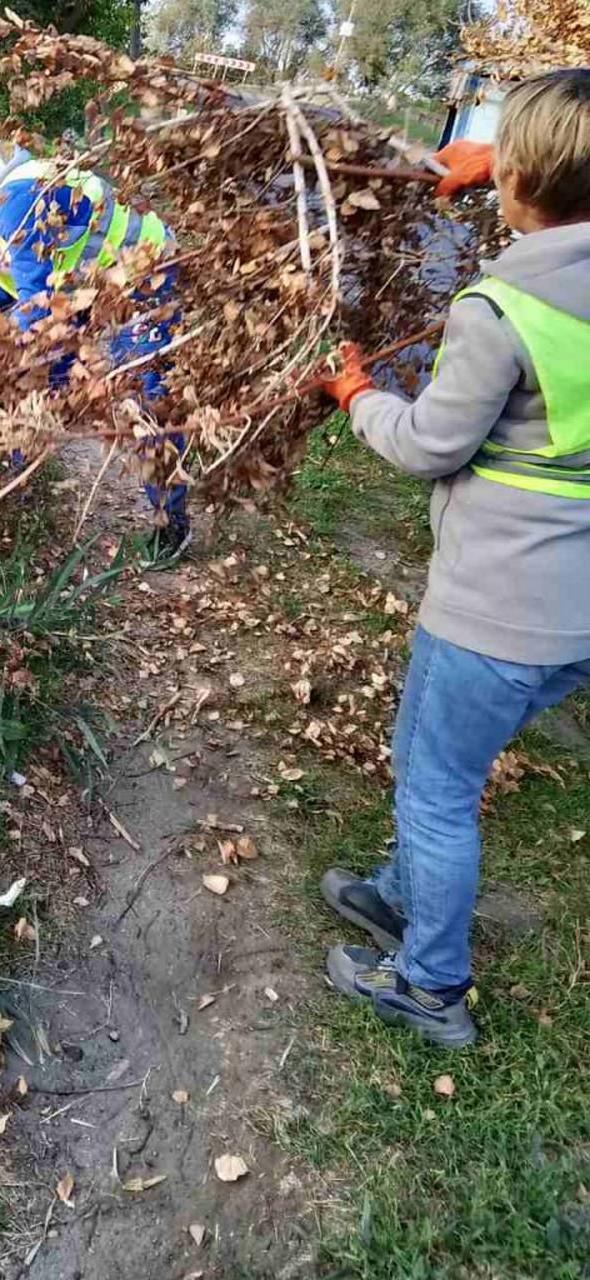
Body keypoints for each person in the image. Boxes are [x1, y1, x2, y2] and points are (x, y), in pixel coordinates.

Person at [317, 69, 590, 1048]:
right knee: (435, 757)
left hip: (499, 603)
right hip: (573, 614)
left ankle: (430, 983)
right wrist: (512, 176)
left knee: (436, 786)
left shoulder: (501, 308)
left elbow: (431, 442)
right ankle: (399, 892)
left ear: (517, 174)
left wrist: (356, 393)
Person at [0, 131, 187, 548]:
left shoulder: (13, 202)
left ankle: (172, 522)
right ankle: (20, 487)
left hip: (147, 273)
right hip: (92, 279)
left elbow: (38, 308)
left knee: (142, 395)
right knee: (36, 382)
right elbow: (14, 283)